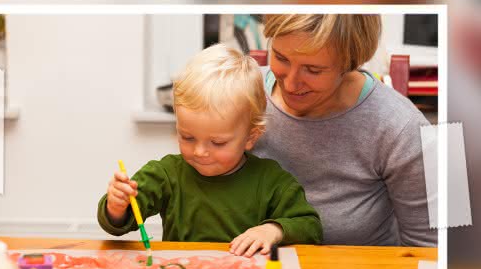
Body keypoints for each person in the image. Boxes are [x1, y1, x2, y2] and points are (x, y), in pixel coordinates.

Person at [97, 44, 322, 257]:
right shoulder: (165, 174)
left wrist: (273, 230)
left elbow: (310, 227)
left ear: (250, 137)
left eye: (218, 142)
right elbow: (119, 223)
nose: (200, 152)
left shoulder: (271, 181)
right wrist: (117, 207)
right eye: (188, 137)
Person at [253, 14, 437, 247]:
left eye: (313, 70)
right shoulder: (241, 95)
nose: (290, 84)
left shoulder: (403, 127)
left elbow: (433, 251)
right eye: (281, 58)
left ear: (350, 62)